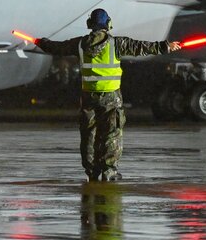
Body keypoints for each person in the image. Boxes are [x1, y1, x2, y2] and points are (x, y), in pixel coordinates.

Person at [30, 9, 181, 181]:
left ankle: (91, 171)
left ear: (90, 25)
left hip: (89, 96)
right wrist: (165, 46)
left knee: (88, 134)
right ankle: (109, 171)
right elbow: (141, 47)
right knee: (112, 133)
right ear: (108, 24)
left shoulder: (80, 44)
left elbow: (57, 47)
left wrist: (40, 42)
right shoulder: (116, 44)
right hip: (111, 97)